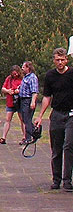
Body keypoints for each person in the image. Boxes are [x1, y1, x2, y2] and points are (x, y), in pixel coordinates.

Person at [35, 47, 73, 191]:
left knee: (69, 146)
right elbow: (46, 97)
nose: (60, 62)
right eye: (57, 60)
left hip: (71, 114)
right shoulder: (50, 76)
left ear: (66, 60)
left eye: (62, 60)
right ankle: (56, 179)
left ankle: (67, 180)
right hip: (56, 114)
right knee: (56, 148)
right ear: (54, 60)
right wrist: (40, 116)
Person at [0, 65, 23, 144]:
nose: (15, 75)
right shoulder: (9, 78)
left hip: (19, 102)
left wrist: (17, 91)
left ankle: (25, 137)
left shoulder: (22, 79)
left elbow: (24, 89)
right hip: (10, 102)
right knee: (7, 119)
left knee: (22, 120)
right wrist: (8, 91)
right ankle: (3, 137)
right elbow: (3, 88)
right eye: (13, 74)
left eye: (16, 74)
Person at [17, 61, 39, 145]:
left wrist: (33, 102)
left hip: (28, 100)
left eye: (23, 67)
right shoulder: (26, 77)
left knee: (27, 119)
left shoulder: (32, 77)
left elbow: (34, 91)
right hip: (23, 100)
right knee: (25, 119)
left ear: (28, 68)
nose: (22, 68)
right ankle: (33, 133)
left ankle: (29, 137)